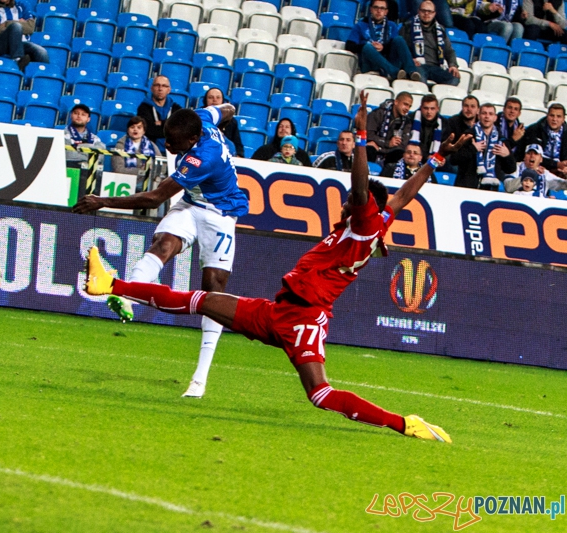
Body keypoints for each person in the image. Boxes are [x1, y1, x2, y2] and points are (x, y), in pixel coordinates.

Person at [83, 92, 471, 443]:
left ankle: (404, 423)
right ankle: (111, 285)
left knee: (320, 394)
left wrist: (363, 137)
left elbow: (360, 184)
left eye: (351, 200)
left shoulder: (366, 221)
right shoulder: (378, 219)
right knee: (201, 300)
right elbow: (404, 194)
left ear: (361, 204)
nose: (344, 202)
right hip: (279, 310)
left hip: (305, 317)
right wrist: (437, 160)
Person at [73, 103, 249, 399]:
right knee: (163, 244)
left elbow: (154, 198)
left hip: (220, 215)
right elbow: (227, 109)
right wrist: (228, 110)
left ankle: (199, 379)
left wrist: (102, 201)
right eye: (166, 136)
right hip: (191, 205)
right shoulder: (200, 119)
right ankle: (126, 296)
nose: (167, 144)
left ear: (192, 140)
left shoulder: (202, 158)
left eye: (173, 142)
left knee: (213, 294)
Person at [345, 0, 420, 82]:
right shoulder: (360, 25)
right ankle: (394, 72)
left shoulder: (392, 25)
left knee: (399, 39)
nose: (379, 11)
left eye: (382, 8)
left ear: (386, 12)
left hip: (389, 60)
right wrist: (369, 46)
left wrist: (383, 48)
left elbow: (395, 46)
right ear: (371, 9)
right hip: (370, 63)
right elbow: (349, 46)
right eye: (376, 7)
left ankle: (412, 72)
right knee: (367, 47)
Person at [452, 103, 517, 189]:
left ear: (495, 118)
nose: (487, 116)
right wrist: (473, 149)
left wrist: (507, 156)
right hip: (466, 187)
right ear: (478, 116)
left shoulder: (502, 140)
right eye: (484, 113)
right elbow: (454, 160)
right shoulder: (468, 135)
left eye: (490, 114)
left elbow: (511, 169)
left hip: (489, 190)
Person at [401, 1, 461, 87]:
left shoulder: (441, 30)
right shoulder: (407, 27)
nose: (426, 14)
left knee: (454, 77)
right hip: (417, 65)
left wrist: (453, 65)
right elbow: (401, 48)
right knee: (419, 77)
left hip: (436, 68)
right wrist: (409, 59)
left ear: (434, 13)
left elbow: (449, 51)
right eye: (423, 11)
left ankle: (434, 96)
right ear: (418, 11)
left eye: (430, 12)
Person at [0, 0, 49, 72]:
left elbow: (30, 27)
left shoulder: (21, 6)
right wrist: (16, 23)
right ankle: (18, 61)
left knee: (41, 52)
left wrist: (6, 24)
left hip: (22, 43)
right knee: (16, 26)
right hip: (1, 44)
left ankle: (44, 78)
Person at [111, 116, 161, 192]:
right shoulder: (120, 145)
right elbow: (118, 169)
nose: (135, 129)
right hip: (126, 182)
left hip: (148, 181)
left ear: (144, 131)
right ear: (128, 130)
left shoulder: (152, 145)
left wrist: (153, 169)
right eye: (132, 127)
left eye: (139, 127)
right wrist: (141, 171)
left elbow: (161, 165)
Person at [137, 76, 183, 153]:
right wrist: (171, 128)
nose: (160, 89)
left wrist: (162, 123)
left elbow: (181, 129)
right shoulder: (144, 108)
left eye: (164, 86)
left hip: (172, 152)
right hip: (150, 151)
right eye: (157, 85)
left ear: (169, 90)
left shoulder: (176, 108)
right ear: (152, 88)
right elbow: (148, 130)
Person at [366, 92, 413, 165]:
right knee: (369, 149)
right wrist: (388, 143)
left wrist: (382, 148)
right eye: (405, 104)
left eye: (409, 106)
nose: (407, 108)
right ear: (396, 102)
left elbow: (402, 145)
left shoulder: (407, 122)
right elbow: (369, 135)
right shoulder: (378, 113)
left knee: (399, 153)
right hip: (374, 148)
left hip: (389, 151)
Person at [520, 103, 567, 175]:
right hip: (538, 169)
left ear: (563, 119)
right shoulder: (534, 130)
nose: (554, 119)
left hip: (561, 171)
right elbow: (531, 156)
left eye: (558, 116)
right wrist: (556, 164)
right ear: (547, 116)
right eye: (552, 115)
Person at [202, 88, 244, 157]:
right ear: (205, 100)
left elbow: (238, 146)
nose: (214, 100)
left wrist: (238, 157)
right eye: (210, 97)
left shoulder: (231, 121)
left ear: (222, 101)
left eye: (218, 97)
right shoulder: (197, 117)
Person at [409, 94, 445, 161]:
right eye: (426, 108)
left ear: (438, 109)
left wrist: (440, 158)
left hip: (434, 159)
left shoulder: (444, 123)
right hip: (413, 157)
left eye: (432, 109)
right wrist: (426, 157)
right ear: (421, 108)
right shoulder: (411, 119)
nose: (429, 112)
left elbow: (444, 147)